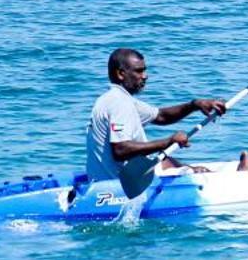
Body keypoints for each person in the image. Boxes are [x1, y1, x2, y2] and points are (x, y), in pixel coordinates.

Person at [86, 48, 228, 196]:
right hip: (121, 187)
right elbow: (121, 150)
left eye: (144, 71)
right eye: (139, 71)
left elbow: (161, 116)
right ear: (121, 74)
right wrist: (168, 142)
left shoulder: (114, 99)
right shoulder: (119, 103)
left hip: (109, 182)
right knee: (194, 172)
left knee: (168, 161)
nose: (145, 76)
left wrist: (194, 105)